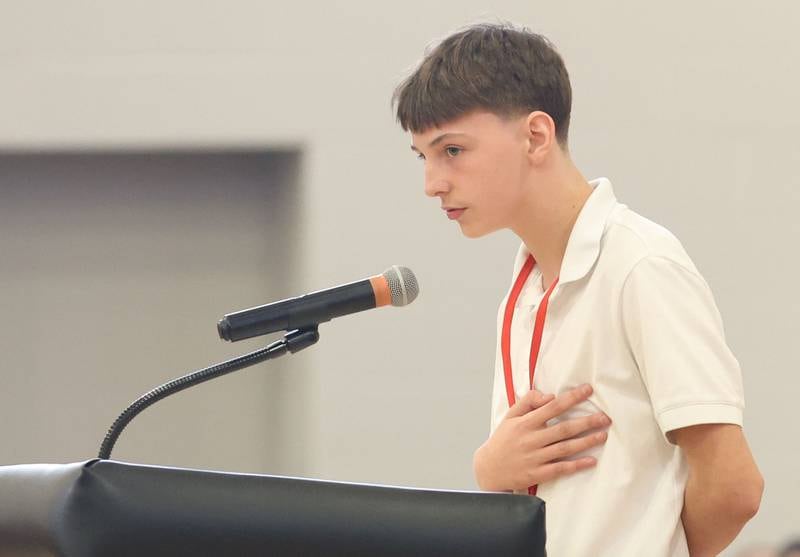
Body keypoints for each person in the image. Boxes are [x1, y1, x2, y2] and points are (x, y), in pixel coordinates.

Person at [392, 22, 764, 556]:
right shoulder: (520, 296)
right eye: (422, 156)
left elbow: (734, 487)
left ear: (536, 136)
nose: (433, 183)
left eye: (452, 150)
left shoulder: (640, 265)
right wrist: (491, 471)